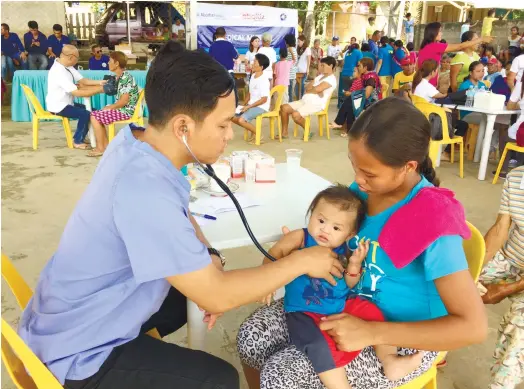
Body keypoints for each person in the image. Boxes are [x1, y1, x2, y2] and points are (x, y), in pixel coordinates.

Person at [19, 40, 343, 389]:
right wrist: (303, 261)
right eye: (222, 125)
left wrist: (210, 257)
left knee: (185, 298)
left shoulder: (138, 143)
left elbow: (182, 213)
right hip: (76, 351)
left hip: (70, 313)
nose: (229, 135)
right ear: (183, 127)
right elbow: (216, 295)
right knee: (218, 379)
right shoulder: (144, 186)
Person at [237, 97, 487, 389]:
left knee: (281, 376)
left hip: (400, 339)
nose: (357, 180)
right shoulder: (363, 192)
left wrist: (372, 333)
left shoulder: (432, 218)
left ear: (408, 166)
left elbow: (474, 327)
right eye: (354, 166)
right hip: (345, 302)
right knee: (251, 337)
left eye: (368, 173)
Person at [260, 185, 424, 389]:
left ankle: (390, 360)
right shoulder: (301, 238)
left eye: (336, 228)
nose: (325, 230)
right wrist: (267, 282)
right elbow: (274, 252)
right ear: (311, 215)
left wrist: (354, 264)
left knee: (372, 311)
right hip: (305, 312)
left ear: (349, 234)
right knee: (317, 345)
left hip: (341, 306)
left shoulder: (344, 249)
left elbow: (350, 283)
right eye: (321, 220)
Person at [479, 166, 524, 389]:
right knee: (455, 285)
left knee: (518, 329)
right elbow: (500, 229)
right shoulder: (517, 177)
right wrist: (474, 270)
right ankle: (434, 351)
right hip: (511, 258)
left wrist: (508, 288)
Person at [46, 44, 105, 150]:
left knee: (93, 111)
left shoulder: (67, 65)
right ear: (71, 57)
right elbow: (76, 92)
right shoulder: (58, 71)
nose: (77, 61)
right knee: (85, 113)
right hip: (58, 105)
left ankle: (82, 136)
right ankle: (77, 141)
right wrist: (100, 90)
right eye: (77, 58)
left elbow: (83, 81)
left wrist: (101, 82)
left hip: (67, 102)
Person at [88, 51, 140, 157]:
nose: (108, 63)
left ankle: (101, 147)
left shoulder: (126, 78)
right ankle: (105, 146)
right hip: (123, 109)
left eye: (110, 61)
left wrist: (110, 107)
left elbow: (124, 101)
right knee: (96, 115)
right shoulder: (120, 77)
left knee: (94, 116)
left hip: (127, 111)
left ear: (116, 63)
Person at [418, 22, 493, 87]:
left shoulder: (427, 46)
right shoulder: (434, 46)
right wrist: (481, 39)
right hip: (428, 84)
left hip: (425, 83)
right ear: (433, 32)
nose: (442, 33)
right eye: (440, 31)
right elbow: (459, 46)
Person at [280, 56, 337, 139]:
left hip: (316, 104)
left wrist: (314, 89)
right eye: (321, 65)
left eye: (323, 65)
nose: (321, 67)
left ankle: (308, 130)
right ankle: (284, 133)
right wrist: (314, 90)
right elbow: (307, 86)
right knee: (284, 107)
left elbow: (316, 89)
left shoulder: (331, 79)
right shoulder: (320, 77)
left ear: (331, 66)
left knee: (295, 115)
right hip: (304, 100)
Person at [330, 57, 381, 136]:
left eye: (359, 66)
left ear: (365, 68)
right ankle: (347, 128)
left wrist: (352, 94)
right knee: (350, 103)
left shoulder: (371, 78)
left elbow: (367, 95)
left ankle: (340, 123)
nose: (358, 67)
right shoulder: (365, 75)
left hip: (371, 102)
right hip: (365, 99)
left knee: (351, 102)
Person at [232, 53, 271, 144]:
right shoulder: (253, 76)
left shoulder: (264, 80)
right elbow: (249, 93)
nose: (252, 63)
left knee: (241, 120)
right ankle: (254, 131)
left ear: (261, 67)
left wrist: (248, 107)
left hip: (261, 106)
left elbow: (264, 99)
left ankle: (258, 134)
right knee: (232, 116)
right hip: (251, 105)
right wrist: (244, 104)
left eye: (255, 62)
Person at [339, 43, 363, 107]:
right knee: (353, 91)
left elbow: (344, 62)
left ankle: (342, 105)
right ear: (358, 48)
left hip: (344, 74)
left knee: (346, 91)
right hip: (352, 74)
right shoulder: (358, 52)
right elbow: (360, 63)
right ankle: (352, 107)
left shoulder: (348, 52)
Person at [284, 34, 298, 102]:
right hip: (292, 75)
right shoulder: (294, 49)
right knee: (290, 94)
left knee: (288, 94)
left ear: (287, 42)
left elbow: (293, 61)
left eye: (285, 41)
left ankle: (289, 108)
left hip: (289, 76)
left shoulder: (289, 50)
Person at [296, 35, 311, 100]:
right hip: (298, 71)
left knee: (301, 86)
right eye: (297, 41)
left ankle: (302, 99)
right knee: (297, 87)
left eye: (299, 41)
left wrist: (307, 69)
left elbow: (309, 59)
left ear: (303, 41)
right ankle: (298, 99)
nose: (298, 43)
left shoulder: (307, 49)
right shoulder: (299, 49)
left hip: (304, 71)